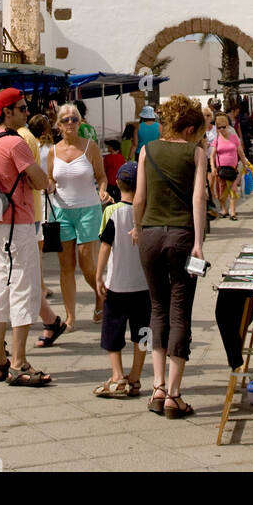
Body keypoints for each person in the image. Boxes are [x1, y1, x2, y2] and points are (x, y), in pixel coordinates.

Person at [133, 94, 207, 419]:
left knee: (157, 308)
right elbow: (199, 197)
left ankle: (158, 387)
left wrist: (137, 229)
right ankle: (175, 396)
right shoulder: (196, 152)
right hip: (181, 235)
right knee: (180, 311)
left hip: (149, 233)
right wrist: (199, 242)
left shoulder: (147, 151)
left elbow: (138, 198)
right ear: (189, 127)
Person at [0, 88, 57, 386]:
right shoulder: (15, 143)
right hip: (19, 222)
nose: (27, 113)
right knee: (24, 290)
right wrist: (47, 182)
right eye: (23, 108)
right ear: (7, 111)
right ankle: (19, 362)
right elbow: (38, 179)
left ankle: (0, 361)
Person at [47, 102, 109, 328]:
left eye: (74, 119)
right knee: (66, 266)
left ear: (80, 122)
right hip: (61, 212)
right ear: (59, 125)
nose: (70, 123)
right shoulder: (53, 151)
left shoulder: (90, 147)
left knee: (86, 263)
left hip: (88, 210)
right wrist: (50, 185)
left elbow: (102, 176)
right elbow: (51, 179)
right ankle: (70, 316)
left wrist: (102, 190)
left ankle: (102, 295)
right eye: (65, 119)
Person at [93, 161, 151, 398]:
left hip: (117, 283)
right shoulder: (147, 213)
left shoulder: (112, 212)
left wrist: (98, 276)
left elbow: (105, 247)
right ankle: (136, 376)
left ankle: (117, 376)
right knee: (144, 332)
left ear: (117, 183)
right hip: (144, 284)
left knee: (112, 330)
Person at [211, 112, 245, 220]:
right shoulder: (216, 139)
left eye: (223, 127)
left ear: (228, 126)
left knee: (233, 190)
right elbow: (212, 155)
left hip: (232, 169)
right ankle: (224, 209)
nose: (221, 129)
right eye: (219, 127)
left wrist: (245, 165)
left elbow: (240, 153)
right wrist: (213, 167)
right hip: (221, 170)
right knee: (222, 191)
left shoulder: (234, 138)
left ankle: (233, 212)